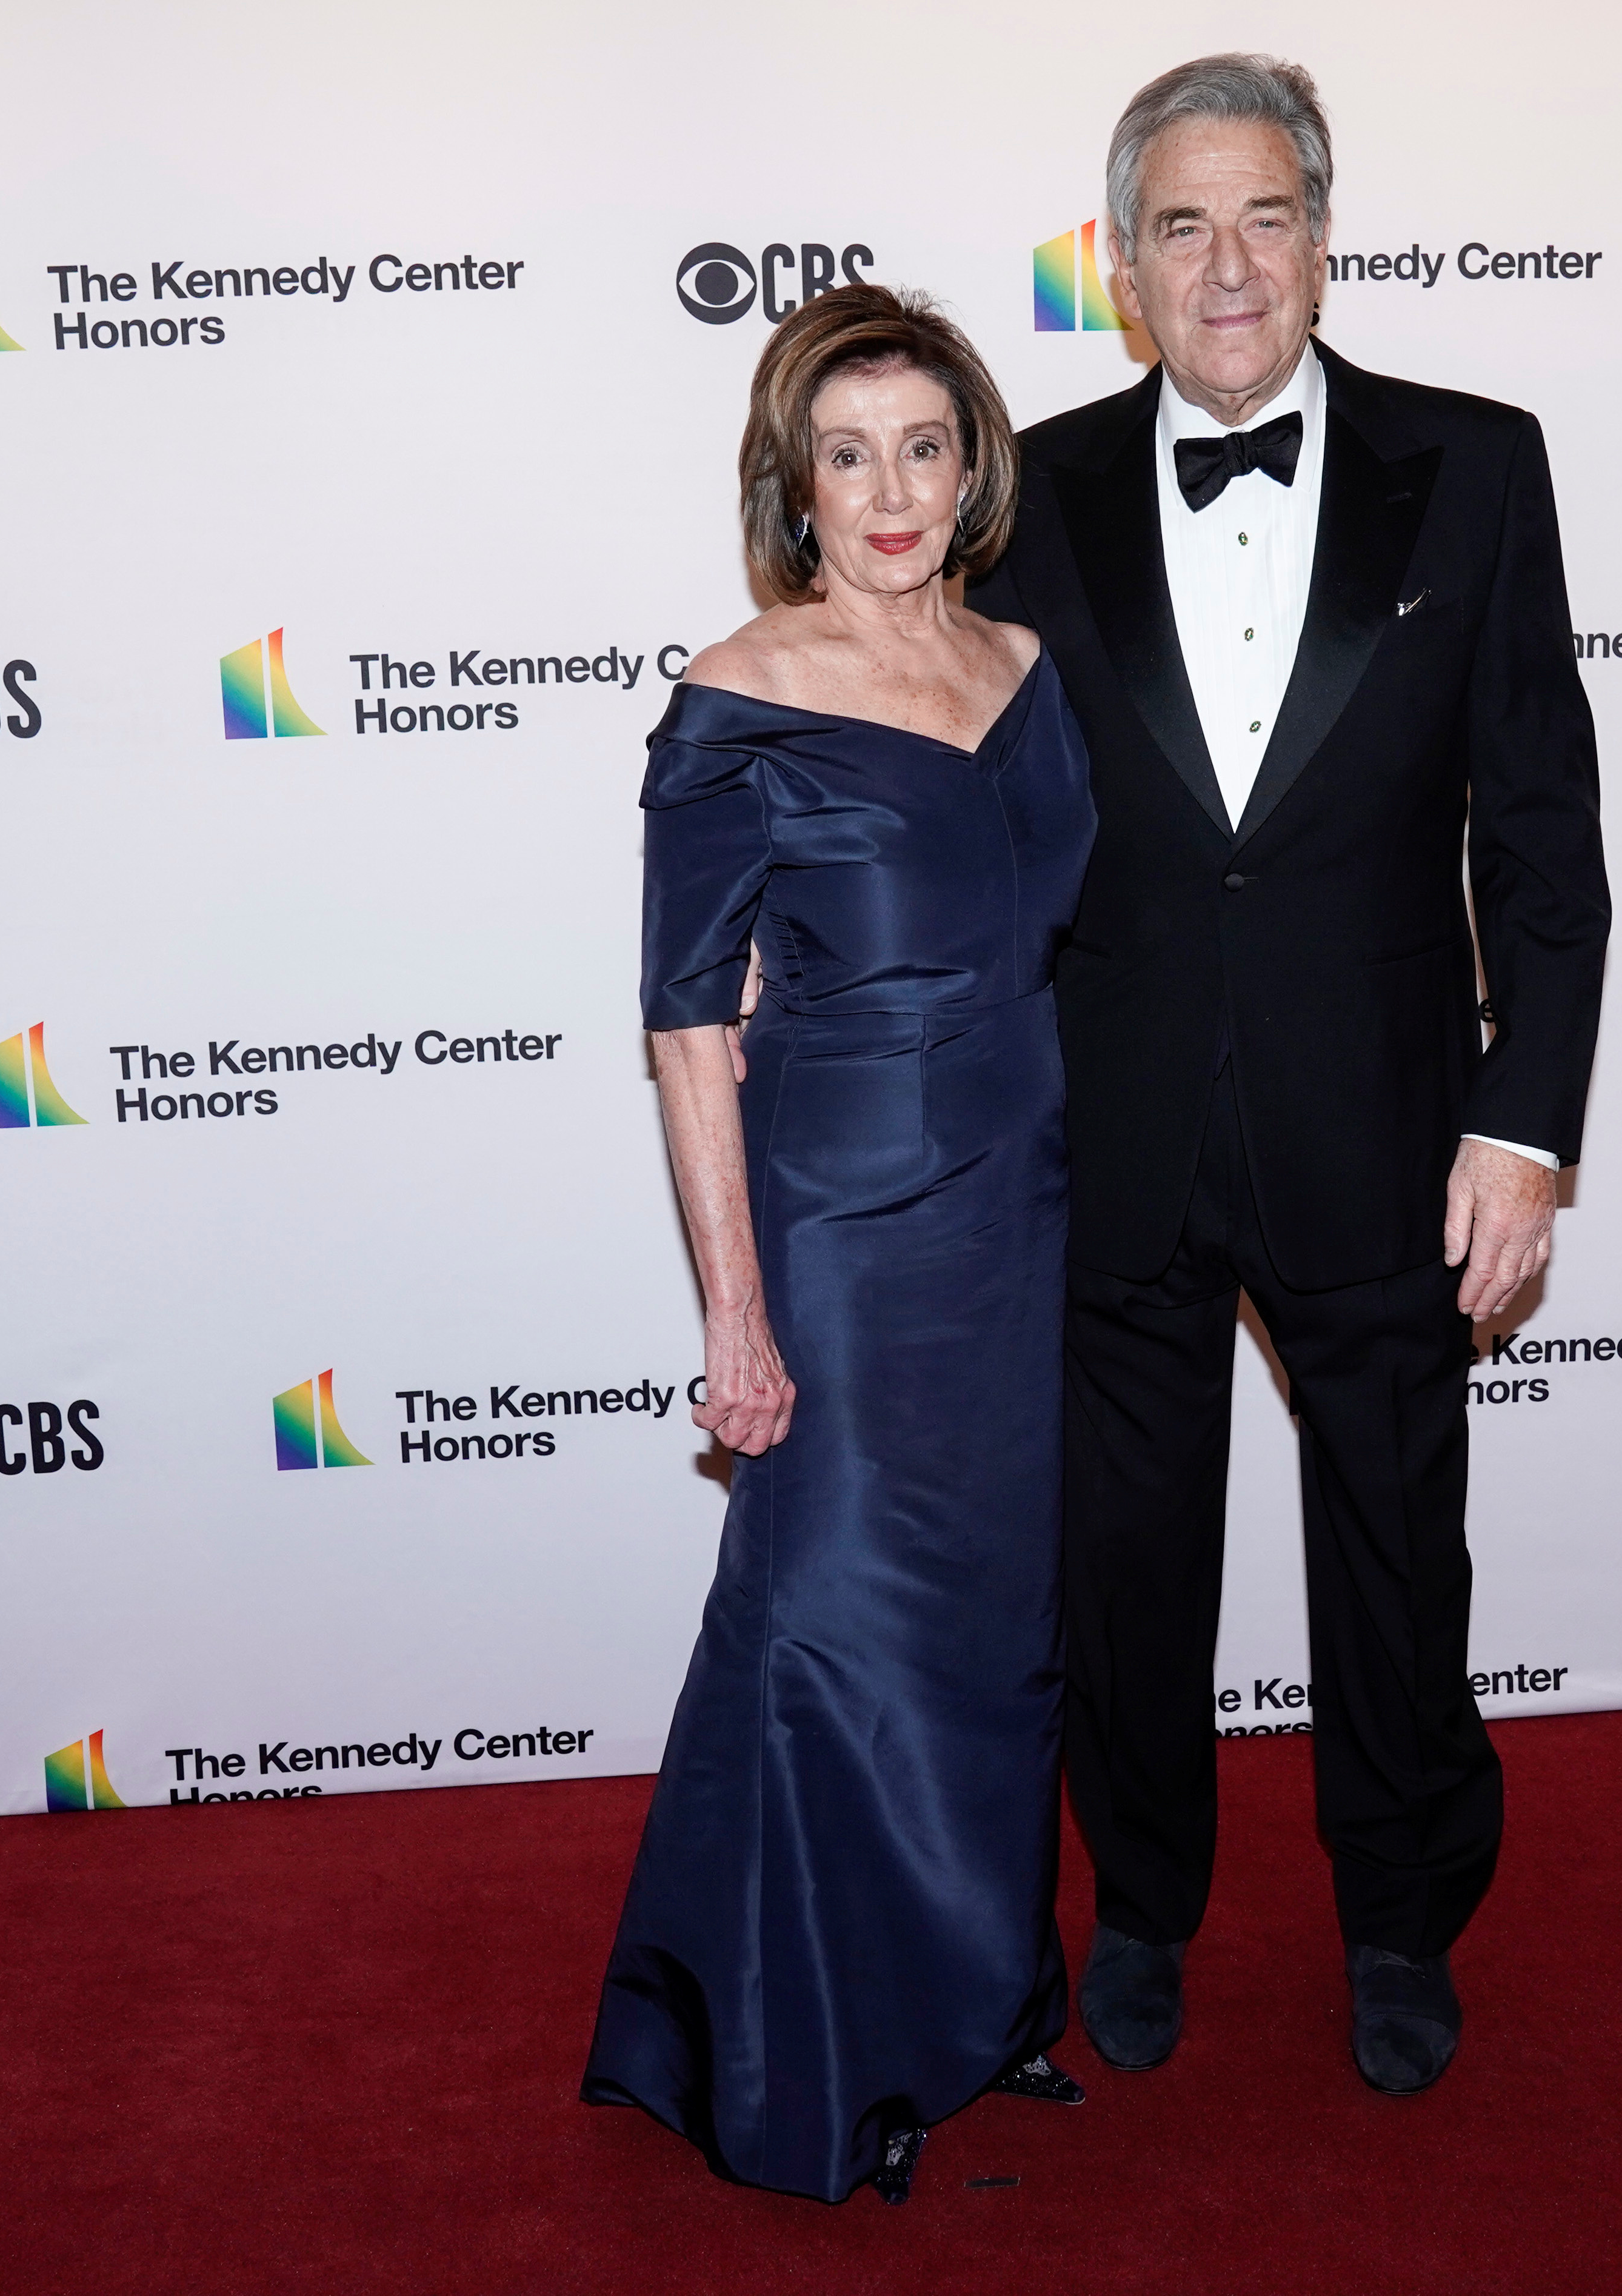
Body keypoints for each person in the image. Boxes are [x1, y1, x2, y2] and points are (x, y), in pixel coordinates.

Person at [966, 54, 1610, 2095]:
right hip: (1112, 1126)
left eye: (1262, 217)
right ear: (1121, 265)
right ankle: (1140, 1903)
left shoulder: (1478, 463)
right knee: (1124, 1566)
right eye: (1179, 225)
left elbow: (1543, 835)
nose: (1224, 263)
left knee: (1399, 1552)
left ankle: (1402, 1915)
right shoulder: (1027, 496)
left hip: (1393, 1130)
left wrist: (1523, 1124)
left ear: (1323, 240)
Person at [582, 284, 1098, 2205]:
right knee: (834, 1631)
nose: (890, 491)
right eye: (847, 453)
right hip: (848, 1227)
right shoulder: (739, 697)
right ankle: (815, 2056)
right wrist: (737, 1314)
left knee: (992, 1640)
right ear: (794, 484)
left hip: (1026, 1216)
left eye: (924, 445)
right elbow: (688, 1024)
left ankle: (977, 2006)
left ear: (971, 465)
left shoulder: (1027, 667)